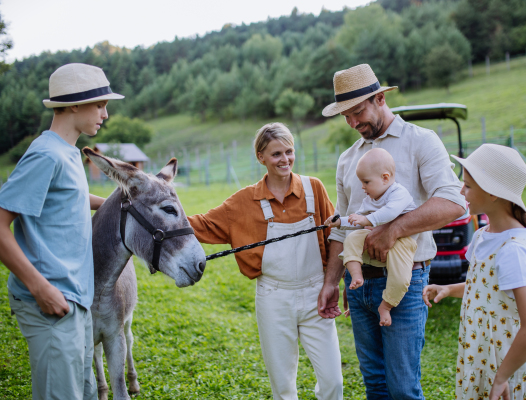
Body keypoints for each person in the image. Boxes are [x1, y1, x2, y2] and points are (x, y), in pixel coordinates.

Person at [317, 63, 466, 400]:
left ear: (380, 98)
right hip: (358, 286)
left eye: (357, 112)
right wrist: (330, 282)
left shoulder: (421, 141)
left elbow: (454, 203)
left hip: (405, 281)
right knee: (376, 386)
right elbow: (342, 229)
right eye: (346, 116)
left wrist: (393, 229)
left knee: (401, 389)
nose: (353, 123)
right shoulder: (346, 159)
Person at [188, 123, 343, 400]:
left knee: (333, 382)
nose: (285, 160)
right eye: (276, 154)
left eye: (289, 151)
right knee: (283, 387)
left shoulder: (314, 189)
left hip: (315, 294)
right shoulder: (244, 201)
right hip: (273, 298)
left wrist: (332, 283)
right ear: (261, 157)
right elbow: (200, 224)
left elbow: (336, 237)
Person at [0, 63, 123, 400]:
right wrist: (40, 288)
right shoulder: (46, 155)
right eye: (99, 105)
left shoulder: (67, 152)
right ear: (72, 104)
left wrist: (119, 201)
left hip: (76, 301)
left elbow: (69, 197)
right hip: (51, 300)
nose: (105, 114)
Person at [423, 144, 526, 400]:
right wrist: (448, 289)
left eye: (468, 185)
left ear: (492, 193)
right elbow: (486, 288)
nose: (461, 190)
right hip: (487, 353)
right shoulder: (482, 236)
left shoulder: (513, 250)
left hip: (513, 367)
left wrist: (501, 377)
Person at [324, 148, 417, 326]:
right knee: (352, 239)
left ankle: (387, 305)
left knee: (401, 277)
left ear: (385, 178)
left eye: (366, 182)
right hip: (376, 236)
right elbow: (356, 218)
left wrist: (367, 219)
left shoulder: (399, 193)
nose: (362, 187)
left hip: (401, 242)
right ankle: (357, 274)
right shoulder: (371, 199)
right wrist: (339, 222)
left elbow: (390, 213)